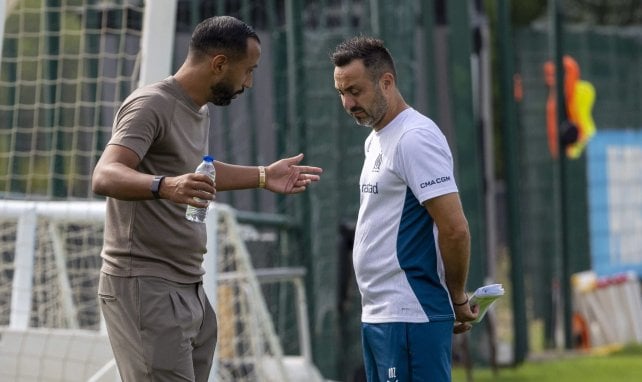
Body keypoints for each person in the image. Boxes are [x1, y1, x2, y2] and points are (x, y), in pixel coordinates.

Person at [92, 15, 322, 382]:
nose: (248, 82)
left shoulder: (198, 110)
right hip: (145, 284)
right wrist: (165, 185)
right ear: (219, 64)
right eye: (248, 71)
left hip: (189, 286)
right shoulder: (150, 103)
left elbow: (199, 170)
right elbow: (105, 174)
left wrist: (263, 176)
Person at [331, 36, 477, 381]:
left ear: (386, 82)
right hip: (380, 315)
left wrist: (455, 298)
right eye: (341, 93)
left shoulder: (415, 138)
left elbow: (454, 228)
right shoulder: (376, 138)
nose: (348, 103)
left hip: (410, 315)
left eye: (355, 91)